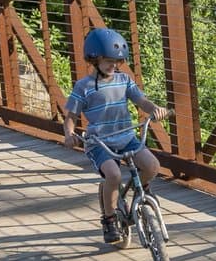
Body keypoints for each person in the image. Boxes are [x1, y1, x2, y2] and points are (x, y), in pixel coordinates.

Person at [61, 27, 169, 247]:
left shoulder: (124, 80)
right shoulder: (83, 87)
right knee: (113, 175)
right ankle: (109, 219)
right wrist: (69, 133)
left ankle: (143, 189)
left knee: (152, 166)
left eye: (118, 62)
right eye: (109, 61)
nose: (114, 66)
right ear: (94, 59)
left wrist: (155, 109)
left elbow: (142, 101)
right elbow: (71, 116)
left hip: (126, 136)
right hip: (99, 142)